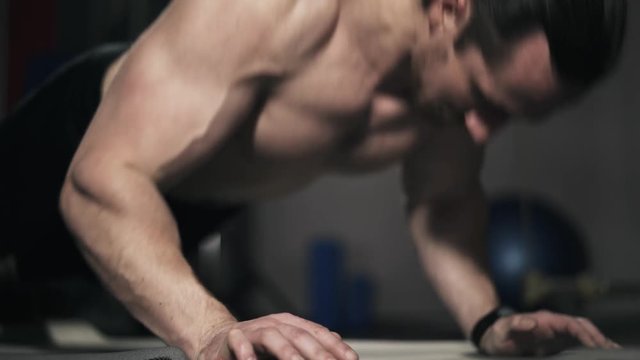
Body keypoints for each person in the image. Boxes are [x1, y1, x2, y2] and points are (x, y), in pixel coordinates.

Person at [0, 0, 628, 359]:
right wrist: (213, 329)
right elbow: (101, 177)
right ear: (450, 10)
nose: (483, 131)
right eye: (484, 99)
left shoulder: (441, 92)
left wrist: (491, 321)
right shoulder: (276, 12)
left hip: (165, 225)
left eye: (512, 113)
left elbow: (443, 204)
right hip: (79, 157)